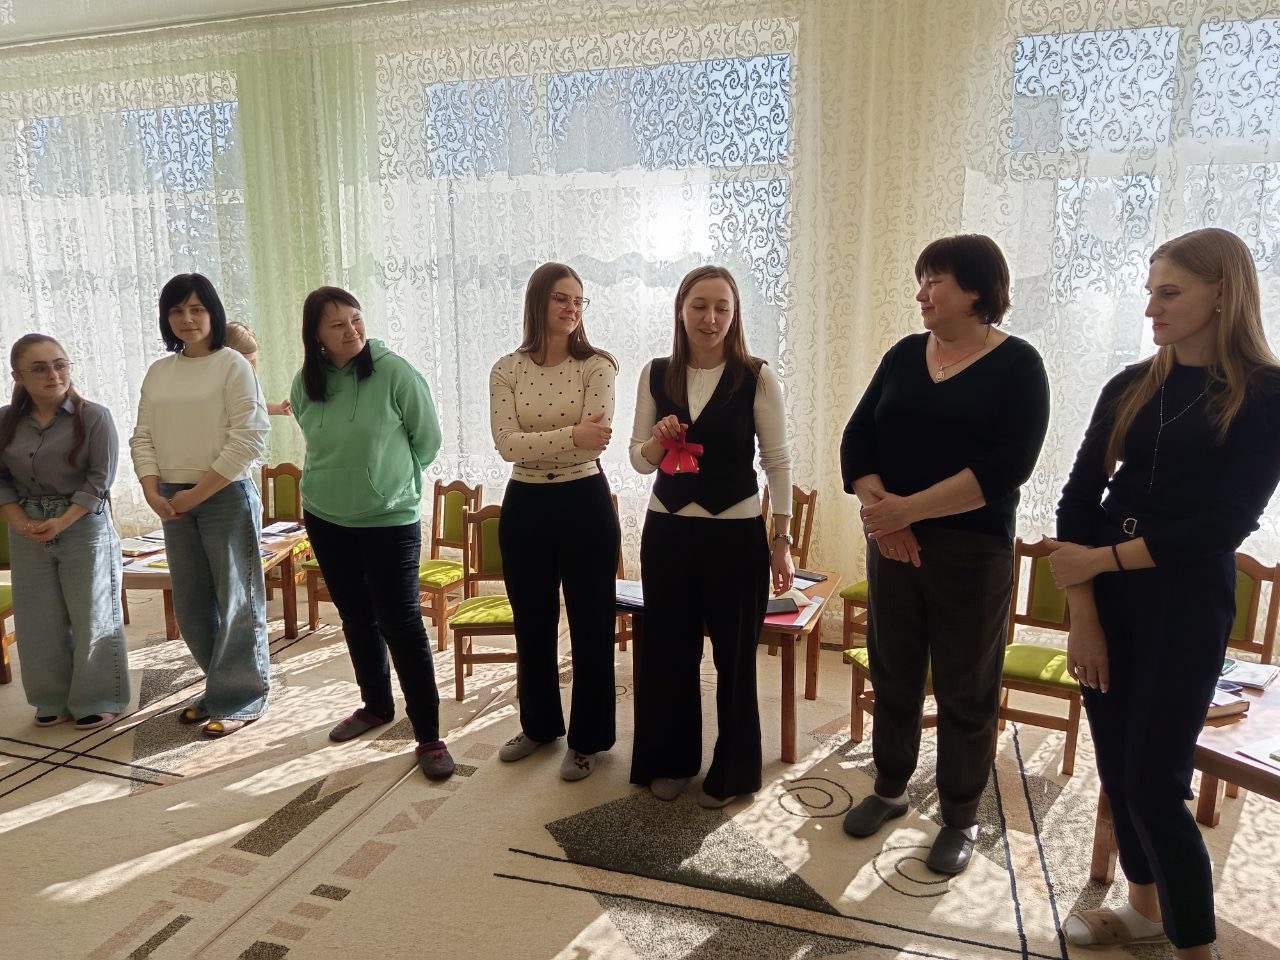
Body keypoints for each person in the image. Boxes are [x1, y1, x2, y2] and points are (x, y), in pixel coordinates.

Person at [1050, 227, 1280, 958]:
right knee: (1120, 774)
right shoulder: (1130, 384)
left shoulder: (1266, 394)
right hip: (1106, 601)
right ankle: (1144, 910)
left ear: (1222, 293)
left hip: (1185, 602)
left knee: (1155, 783)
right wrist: (1083, 614)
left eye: (1170, 292)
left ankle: (1194, 949)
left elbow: (1225, 524)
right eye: (1150, 292)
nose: (1151, 307)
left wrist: (1101, 561)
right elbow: (1077, 500)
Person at [839, 234, 1049, 874]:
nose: (922, 293)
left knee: (965, 685)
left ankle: (960, 815)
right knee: (894, 671)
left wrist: (908, 511)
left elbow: (1006, 467)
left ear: (977, 290)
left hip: (972, 551)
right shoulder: (905, 354)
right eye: (921, 280)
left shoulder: (1019, 365)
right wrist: (884, 518)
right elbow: (857, 439)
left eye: (935, 281)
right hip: (892, 543)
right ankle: (890, 789)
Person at [628, 264, 794, 808]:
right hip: (668, 532)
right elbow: (638, 460)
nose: (711, 317)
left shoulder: (756, 376)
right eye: (700, 305)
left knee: (734, 658)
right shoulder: (656, 373)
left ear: (735, 313)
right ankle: (671, 761)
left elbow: (777, 462)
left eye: (722, 307)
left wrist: (781, 539)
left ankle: (733, 771)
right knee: (669, 653)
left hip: (735, 537)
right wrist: (658, 440)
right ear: (681, 310)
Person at [289, 285, 454, 781]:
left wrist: (390, 483)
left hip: (388, 519)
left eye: (356, 319)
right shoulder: (306, 382)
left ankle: (429, 735)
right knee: (356, 618)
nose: (351, 330)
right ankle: (376, 705)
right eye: (337, 324)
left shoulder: (394, 372)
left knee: (401, 623)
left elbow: (428, 440)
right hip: (325, 516)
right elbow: (315, 440)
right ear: (316, 335)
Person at [489, 262, 621, 781]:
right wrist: (570, 435)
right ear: (538, 302)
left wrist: (551, 442)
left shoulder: (598, 366)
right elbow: (506, 446)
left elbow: (597, 441)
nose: (572, 308)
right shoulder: (506, 369)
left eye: (578, 300)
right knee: (532, 625)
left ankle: (589, 740)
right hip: (525, 504)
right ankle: (540, 726)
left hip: (584, 501)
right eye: (561, 298)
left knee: (591, 625)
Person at [130, 273, 271, 737]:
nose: (186, 319)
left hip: (224, 494)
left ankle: (242, 697)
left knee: (237, 602)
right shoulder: (159, 371)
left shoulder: (233, 365)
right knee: (191, 607)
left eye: (196, 309)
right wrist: (151, 490)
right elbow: (143, 436)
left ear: (213, 313)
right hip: (172, 497)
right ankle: (220, 687)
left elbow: (248, 438)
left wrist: (197, 493)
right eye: (176, 310)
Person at [0, 334, 129, 730]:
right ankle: (51, 698)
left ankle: (98, 697)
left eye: (59, 364)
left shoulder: (94, 417)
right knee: (37, 617)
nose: (53, 374)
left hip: (82, 523)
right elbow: (1, 480)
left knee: (92, 614)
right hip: (26, 523)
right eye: (39, 368)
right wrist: (18, 521)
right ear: (18, 376)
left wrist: (63, 520)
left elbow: (99, 480)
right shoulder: (4, 421)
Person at [224, 321, 292, 416]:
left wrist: (278, 408)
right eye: (245, 363)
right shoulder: (220, 384)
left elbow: (253, 406)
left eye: (251, 362)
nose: (249, 368)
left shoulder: (246, 382)